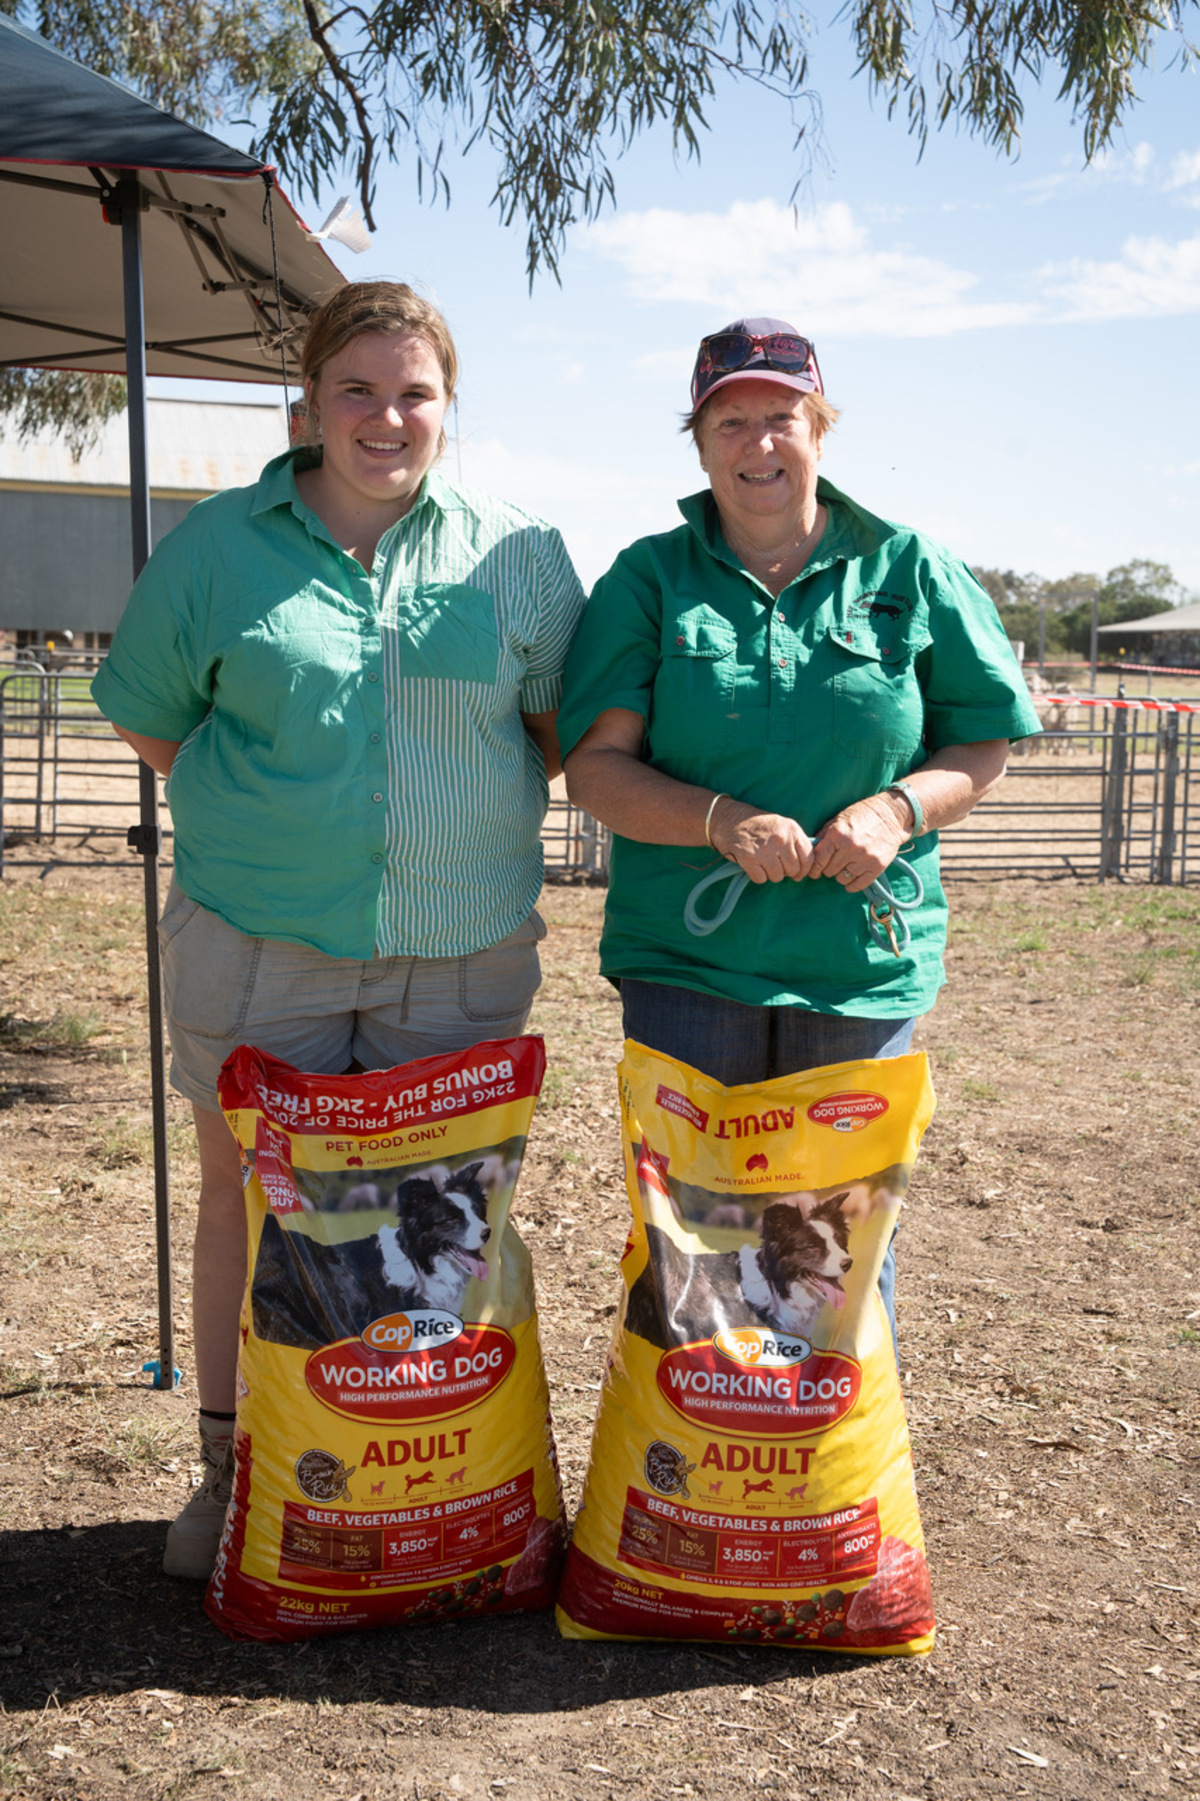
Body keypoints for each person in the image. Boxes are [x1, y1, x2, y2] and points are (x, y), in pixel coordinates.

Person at [92, 281, 586, 1578]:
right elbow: (150, 716)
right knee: (251, 1205)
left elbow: (555, 733)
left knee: (440, 1219)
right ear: (307, 402)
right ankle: (232, 1476)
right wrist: (275, 824)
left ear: (448, 405)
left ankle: (423, 1485)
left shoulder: (520, 554)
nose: (386, 416)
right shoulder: (217, 548)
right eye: (356, 389)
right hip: (259, 945)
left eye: (415, 392)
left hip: (459, 956)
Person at [559, 316, 1041, 1346]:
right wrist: (718, 820)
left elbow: (983, 743)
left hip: (855, 964)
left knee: (843, 1237)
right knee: (699, 1230)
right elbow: (596, 769)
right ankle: (697, 1445)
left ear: (820, 428)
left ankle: (832, 1448)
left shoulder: (910, 568)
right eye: (730, 421)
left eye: (781, 416)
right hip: (689, 962)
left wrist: (897, 808)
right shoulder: (649, 579)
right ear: (699, 444)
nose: (759, 442)